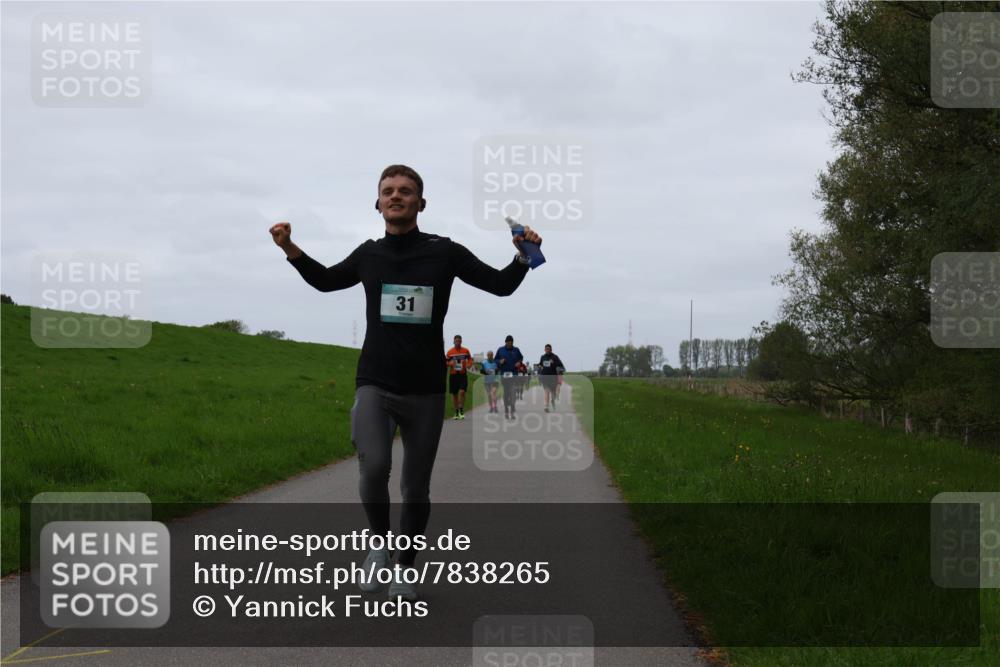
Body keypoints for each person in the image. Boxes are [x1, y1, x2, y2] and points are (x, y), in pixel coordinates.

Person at [269, 165, 542, 601]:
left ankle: (405, 564)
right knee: (374, 466)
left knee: (416, 487)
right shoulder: (368, 254)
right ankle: (378, 544)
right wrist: (289, 247)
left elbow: (500, 285)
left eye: (406, 191)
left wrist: (523, 256)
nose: (396, 196)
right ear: (378, 203)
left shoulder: (444, 252)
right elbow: (325, 282)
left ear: (421, 203)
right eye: (388, 191)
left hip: (426, 389)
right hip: (374, 381)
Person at [494, 335, 524, 419]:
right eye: (508, 342)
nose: (510, 343)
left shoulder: (516, 350)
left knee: (513, 391)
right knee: (506, 392)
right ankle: (506, 409)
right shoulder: (500, 350)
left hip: (514, 374)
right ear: (505, 342)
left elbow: (521, 358)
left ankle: (512, 409)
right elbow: (495, 360)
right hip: (504, 374)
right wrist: (500, 361)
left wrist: (519, 363)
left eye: (511, 342)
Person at [446, 334, 473, 420]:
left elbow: (470, 359)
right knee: (454, 395)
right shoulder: (450, 352)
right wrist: (450, 363)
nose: (457, 342)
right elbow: (446, 362)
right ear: (453, 342)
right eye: (456, 341)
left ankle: (461, 409)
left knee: (462, 392)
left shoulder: (465, 351)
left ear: (461, 341)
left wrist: (469, 365)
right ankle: (456, 412)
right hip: (453, 375)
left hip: (462, 374)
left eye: (459, 341)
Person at [538, 343, 565, 412]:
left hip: (553, 378)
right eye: (546, 349)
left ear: (551, 350)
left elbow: (561, 367)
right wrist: (539, 368)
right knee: (546, 392)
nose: (547, 350)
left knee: (553, 393)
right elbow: (540, 365)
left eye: (549, 349)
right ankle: (546, 406)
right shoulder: (542, 357)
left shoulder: (555, 357)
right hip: (545, 377)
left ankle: (552, 400)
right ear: (544, 350)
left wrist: (554, 364)